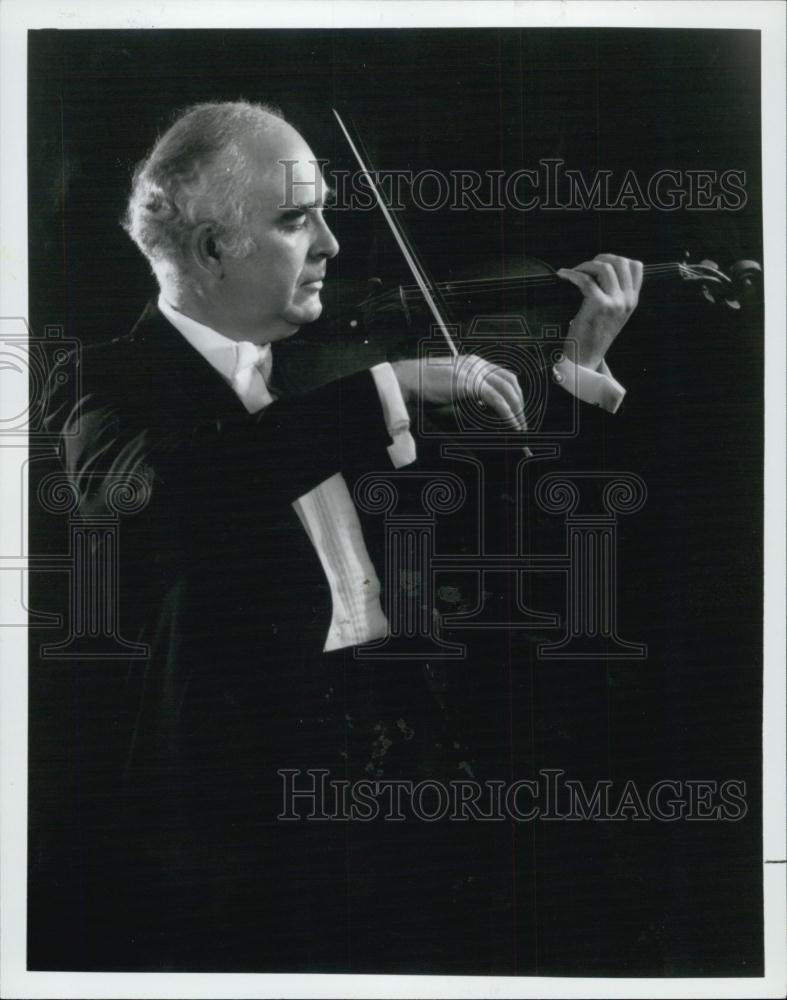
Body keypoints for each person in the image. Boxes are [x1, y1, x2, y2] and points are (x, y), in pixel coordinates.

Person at [44, 100, 642, 971]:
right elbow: (161, 503)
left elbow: (519, 542)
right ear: (212, 248)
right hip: (246, 839)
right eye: (295, 219)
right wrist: (385, 387)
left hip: (406, 792)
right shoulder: (111, 386)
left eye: (324, 212)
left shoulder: (321, 374)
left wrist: (579, 369)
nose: (330, 244)